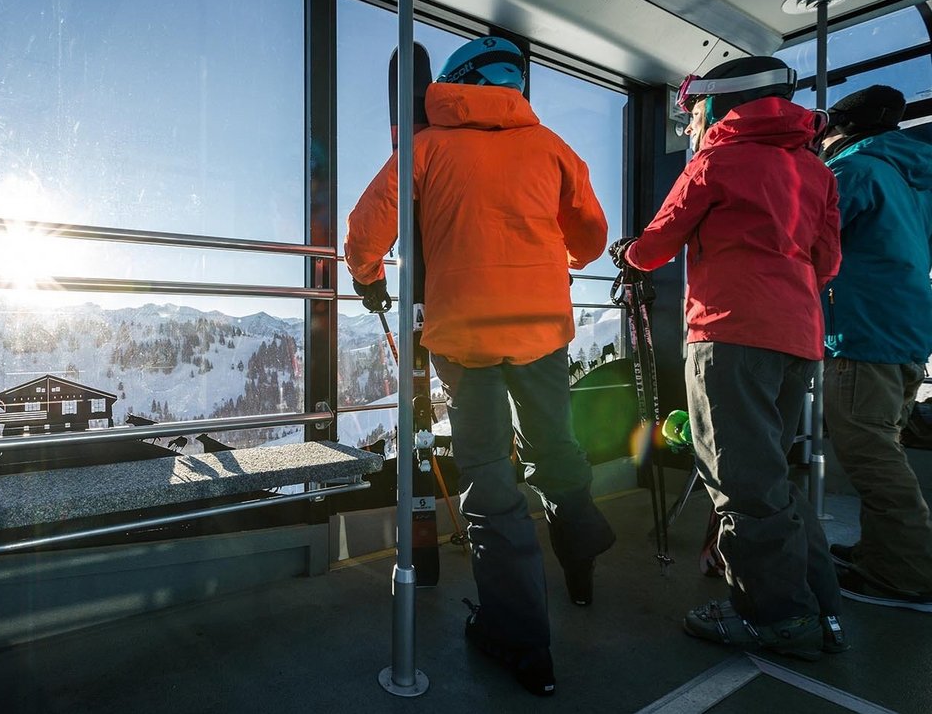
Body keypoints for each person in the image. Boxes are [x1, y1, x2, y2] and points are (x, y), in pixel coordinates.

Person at [345, 36, 615, 696]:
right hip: (542, 328)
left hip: (465, 335)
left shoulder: (426, 146)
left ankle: (520, 640)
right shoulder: (550, 146)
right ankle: (580, 551)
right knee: (554, 444)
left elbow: (367, 225)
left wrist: (368, 276)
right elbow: (590, 235)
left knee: (490, 477)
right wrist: (555, 262)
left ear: (455, 84)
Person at [609, 55, 846, 660]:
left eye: (693, 112)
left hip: (730, 335)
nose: (690, 124)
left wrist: (628, 253)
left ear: (720, 104)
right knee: (772, 478)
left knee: (742, 483)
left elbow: (657, 245)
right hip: (798, 339)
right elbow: (827, 262)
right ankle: (820, 606)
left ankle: (777, 618)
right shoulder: (816, 170)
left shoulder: (717, 161)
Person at [819, 84, 932, 612]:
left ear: (843, 128)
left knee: (870, 456)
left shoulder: (854, 170)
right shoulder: (913, 177)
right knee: (884, 444)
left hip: (865, 334)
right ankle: (880, 551)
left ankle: (903, 574)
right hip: (906, 332)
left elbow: (808, 239)